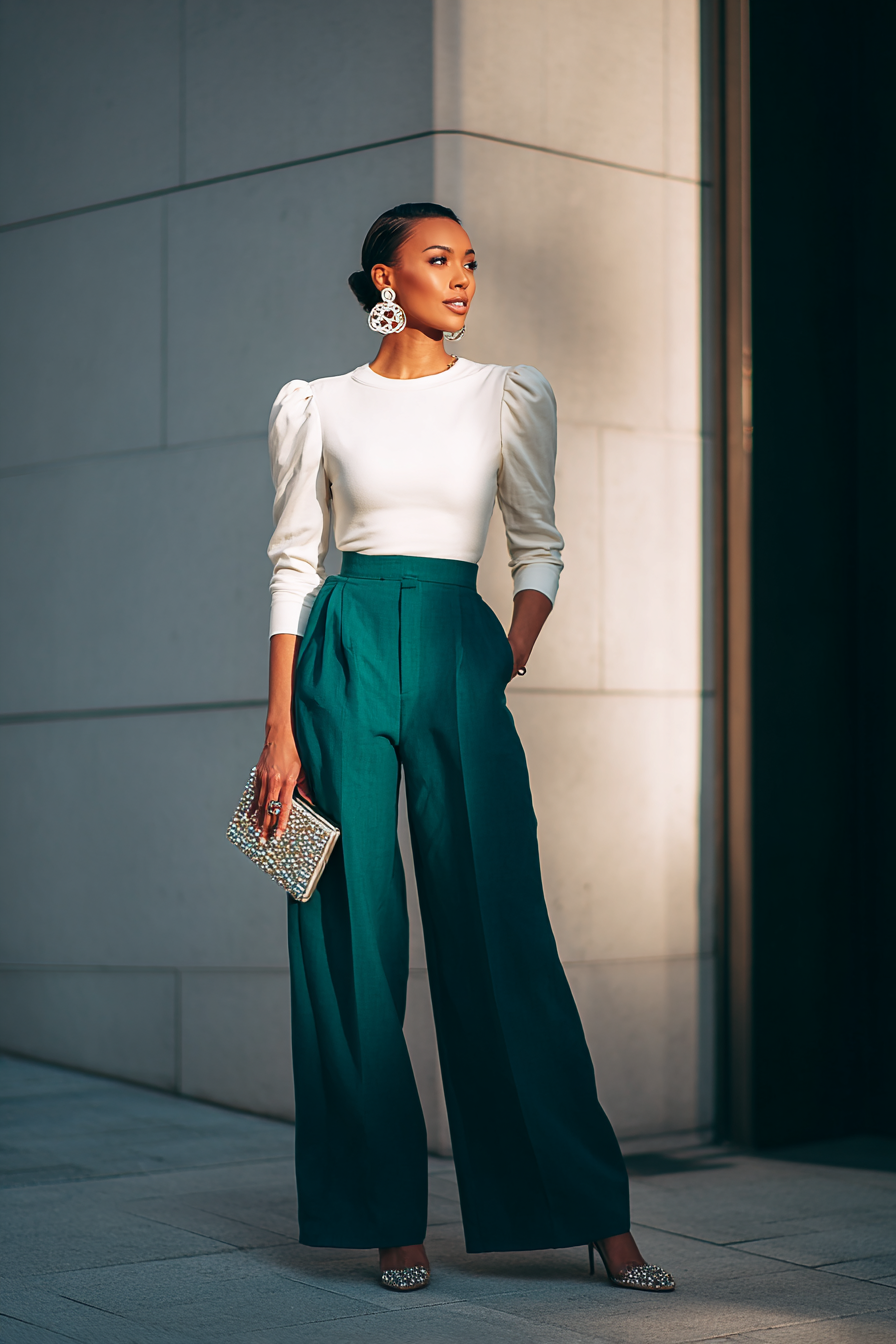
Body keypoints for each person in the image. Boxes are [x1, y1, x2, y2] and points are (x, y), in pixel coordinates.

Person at [251, 202, 675, 1295]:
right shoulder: (317, 405)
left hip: (457, 645)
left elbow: (537, 547)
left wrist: (506, 657)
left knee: (501, 927)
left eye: (471, 263)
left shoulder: (505, 394)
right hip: (343, 652)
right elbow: (294, 562)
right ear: (383, 277)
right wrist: (276, 731)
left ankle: (591, 1212)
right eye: (440, 261)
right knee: (345, 933)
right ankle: (387, 1216)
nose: (464, 279)